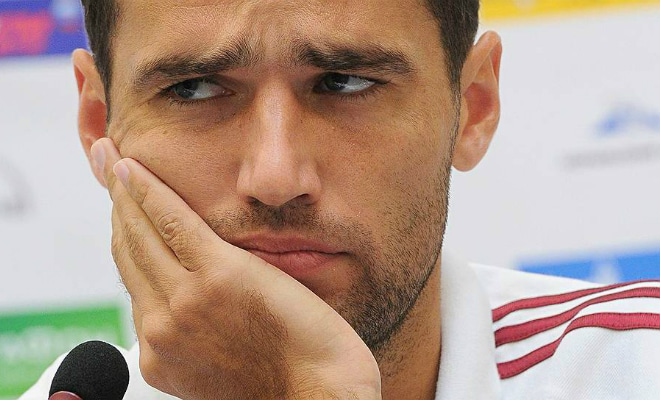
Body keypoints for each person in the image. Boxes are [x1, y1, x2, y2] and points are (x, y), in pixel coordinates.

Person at [22, 0, 659, 399]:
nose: (275, 178)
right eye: (193, 88)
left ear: (473, 105)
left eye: (346, 82)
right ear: (98, 120)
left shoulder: (638, 368)